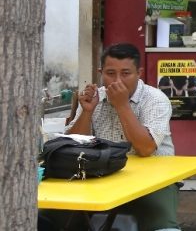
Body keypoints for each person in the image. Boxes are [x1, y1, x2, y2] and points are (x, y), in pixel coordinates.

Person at [63, 43, 179, 231]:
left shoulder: (155, 99)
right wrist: (86, 112)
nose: (118, 80)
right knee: (54, 215)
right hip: (101, 176)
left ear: (139, 73)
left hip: (153, 180)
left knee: (162, 226)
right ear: (101, 73)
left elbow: (145, 149)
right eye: (110, 73)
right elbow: (73, 146)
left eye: (126, 74)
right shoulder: (95, 98)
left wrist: (122, 106)